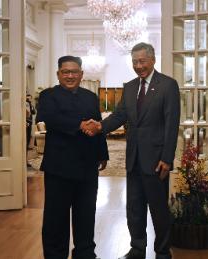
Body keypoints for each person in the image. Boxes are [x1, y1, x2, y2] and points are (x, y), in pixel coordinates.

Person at [82, 42, 180, 259]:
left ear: (152, 60)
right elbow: (119, 116)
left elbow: (172, 124)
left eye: (142, 61)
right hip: (133, 158)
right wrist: (99, 126)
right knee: (134, 208)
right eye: (135, 62)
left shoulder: (167, 85)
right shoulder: (130, 87)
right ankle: (137, 248)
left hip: (156, 160)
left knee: (158, 210)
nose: (138, 66)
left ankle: (163, 252)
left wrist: (167, 158)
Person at [36, 55, 109, 259]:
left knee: (86, 215)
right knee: (55, 218)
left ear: (81, 74)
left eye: (74, 72)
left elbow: (97, 126)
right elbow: (50, 118)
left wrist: (103, 154)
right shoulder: (48, 96)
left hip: (87, 165)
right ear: (58, 74)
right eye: (65, 72)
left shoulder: (90, 97)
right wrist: (79, 124)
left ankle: (85, 254)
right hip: (58, 166)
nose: (70, 76)